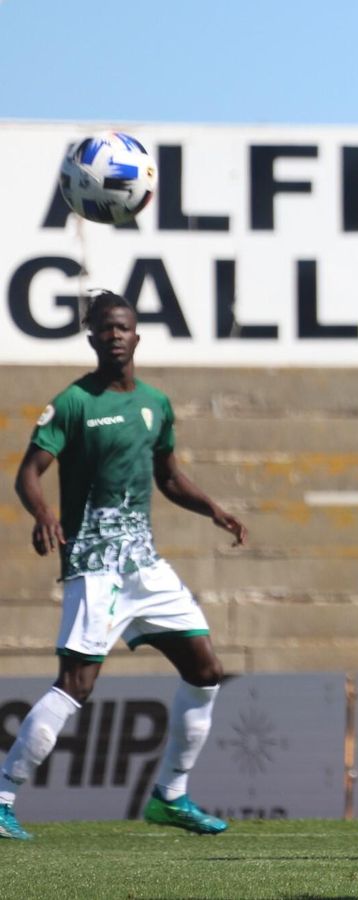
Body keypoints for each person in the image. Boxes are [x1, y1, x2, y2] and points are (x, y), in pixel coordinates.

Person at [3, 290, 247, 841]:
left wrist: (213, 509)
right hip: (94, 563)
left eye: (124, 328)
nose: (115, 336)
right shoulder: (72, 403)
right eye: (105, 329)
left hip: (143, 564)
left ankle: (170, 796)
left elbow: (167, 477)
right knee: (76, 684)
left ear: (137, 335)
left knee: (205, 671)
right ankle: (2, 793)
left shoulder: (155, 404)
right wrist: (43, 515)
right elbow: (28, 473)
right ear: (91, 336)